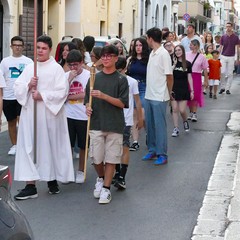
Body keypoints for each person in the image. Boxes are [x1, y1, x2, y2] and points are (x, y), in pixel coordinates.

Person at [13, 35, 75, 200]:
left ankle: (51, 179)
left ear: (49, 50)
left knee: (49, 147)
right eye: (38, 48)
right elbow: (17, 87)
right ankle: (30, 185)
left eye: (44, 48)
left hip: (49, 116)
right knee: (30, 147)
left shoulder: (56, 69)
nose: (40, 51)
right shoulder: (29, 68)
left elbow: (62, 91)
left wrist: (43, 95)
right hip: (30, 115)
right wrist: (28, 85)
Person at [84, 45, 129, 204]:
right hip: (96, 123)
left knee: (111, 159)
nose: (106, 58)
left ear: (116, 58)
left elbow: (122, 103)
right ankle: (101, 178)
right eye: (104, 56)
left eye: (110, 56)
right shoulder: (94, 77)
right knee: (96, 159)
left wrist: (104, 96)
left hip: (115, 124)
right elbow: (87, 101)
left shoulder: (121, 79)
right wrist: (88, 108)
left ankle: (106, 188)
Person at [142, 27, 173, 165]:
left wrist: (168, 92)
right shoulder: (152, 53)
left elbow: (169, 76)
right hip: (149, 94)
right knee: (150, 126)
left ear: (150, 38)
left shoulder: (163, 54)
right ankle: (152, 149)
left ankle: (162, 153)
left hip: (160, 96)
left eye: (147, 38)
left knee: (160, 126)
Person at [113, 56, 143, 189]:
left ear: (125, 69)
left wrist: (140, 118)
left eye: (120, 70)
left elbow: (137, 101)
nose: (119, 73)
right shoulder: (111, 80)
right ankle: (117, 172)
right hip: (112, 118)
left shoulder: (132, 82)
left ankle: (122, 176)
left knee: (124, 147)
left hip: (126, 119)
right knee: (113, 148)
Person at [0, 36, 33, 155]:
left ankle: (25, 145)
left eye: (19, 45)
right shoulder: (5, 62)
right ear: (11, 47)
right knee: (11, 122)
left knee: (23, 121)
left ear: (23, 47)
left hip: (23, 96)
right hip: (9, 96)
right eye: (15, 45)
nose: (17, 47)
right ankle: (15, 145)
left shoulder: (28, 62)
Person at [65, 49, 90, 184]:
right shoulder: (66, 76)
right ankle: (68, 171)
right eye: (70, 65)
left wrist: (69, 96)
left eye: (75, 64)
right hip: (68, 115)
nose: (73, 68)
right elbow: (60, 93)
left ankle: (81, 170)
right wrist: (69, 79)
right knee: (67, 144)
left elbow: (86, 94)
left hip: (83, 115)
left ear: (81, 63)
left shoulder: (88, 75)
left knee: (83, 146)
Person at [126, 37, 149, 151]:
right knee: (134, 116)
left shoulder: (148, 59)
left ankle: (148, 135)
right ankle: (135, 141)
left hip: (144, 87)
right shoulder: (130, 59)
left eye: (140, 45)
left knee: (143, 116)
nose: (138, 47)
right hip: (132, 88)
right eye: (136, 45)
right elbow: (125, 72)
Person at [171, 45, 194, 137]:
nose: (177, 52)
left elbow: (189, 77)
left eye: (179, 50)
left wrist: (192, 90)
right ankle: (176, 128)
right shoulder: (172, 63)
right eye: (176, 50)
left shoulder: (188, 64)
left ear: (183, 51)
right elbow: (169, 74)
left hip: (184, 88)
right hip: (173, 88)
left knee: (182, 110)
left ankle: (185, 121)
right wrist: (174, 65)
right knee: (175, 109)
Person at [186, 39, 208, 122]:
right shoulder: (186, 54)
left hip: (197, 76)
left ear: (196, 46)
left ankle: (194, 112)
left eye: (191, 44)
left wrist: (206, 80)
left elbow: (205, 69)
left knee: (195, 95)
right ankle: (191, 111)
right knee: (188, 94)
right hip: (187, 76)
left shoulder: (202, 56)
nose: (190, 46)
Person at [218, 22, 240, 95]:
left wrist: (237, 59)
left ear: (232, 27)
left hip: (231, 56)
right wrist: (217, 57)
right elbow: (220, 47)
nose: (228, 28)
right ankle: (222, 87)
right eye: (226, 26)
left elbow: (237, 48)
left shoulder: (236, 37)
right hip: (223, 56)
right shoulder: (223, 37)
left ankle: (227, 89)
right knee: (222, 72)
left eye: (229, 26)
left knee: (230, 74)